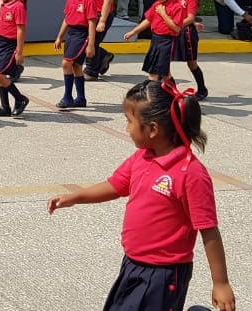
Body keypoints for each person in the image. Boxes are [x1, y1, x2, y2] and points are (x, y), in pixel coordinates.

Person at [47, 80, 236, 311]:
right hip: (133, 264)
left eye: (129, 121)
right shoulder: (142, 157)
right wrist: (76, 197)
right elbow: (115, 185)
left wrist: (221, 283)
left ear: (153, 129)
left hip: (163, 274)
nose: (127, 128)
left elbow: (208, 229)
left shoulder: (190, 173)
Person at [123, 0, 184, 82]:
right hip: (155, 39)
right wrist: (134, 31)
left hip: (167, 41)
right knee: (162, 71)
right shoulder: (157, 5)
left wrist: (163, 14)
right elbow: (148, 20)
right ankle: (169, 92)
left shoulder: (177, 6)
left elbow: (176, 28)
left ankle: (153, 92)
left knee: (157, 71)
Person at [53, 0, 99, 109]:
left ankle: (68, 97)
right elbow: (67, 18)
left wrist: (91, 44)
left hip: (82, 34)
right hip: (71, 34)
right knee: (76, 66)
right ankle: (81, 98)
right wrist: (59, 36)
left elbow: (92, 22)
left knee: (66, 63)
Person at [170, 0, 208, 99]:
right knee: (165, 60)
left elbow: (190, 18)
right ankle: (170, 90)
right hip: (173, 32)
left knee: (191, 62)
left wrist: (177, 25)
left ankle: (202, 89)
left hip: (186, 34)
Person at [84, 0, 119, 80]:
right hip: (89, 14)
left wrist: (102, 20)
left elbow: (107, 2)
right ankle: (103, 55)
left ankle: (91, 70)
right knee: (87, 40)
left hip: (100, 15)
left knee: (92, 42)